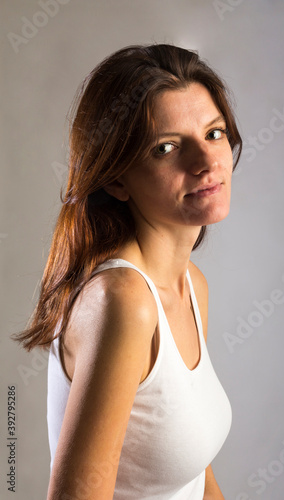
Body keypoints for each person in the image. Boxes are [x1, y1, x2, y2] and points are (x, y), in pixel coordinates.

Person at [14, 44, 242, 499]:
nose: (205, 161)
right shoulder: (123, 301)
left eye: (214, 133)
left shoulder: (192, 287)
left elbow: (197, 475)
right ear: (117, 179)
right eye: (167, 147)